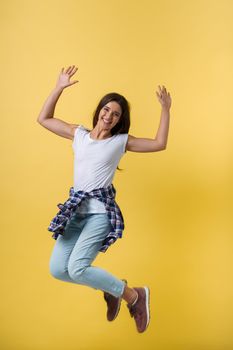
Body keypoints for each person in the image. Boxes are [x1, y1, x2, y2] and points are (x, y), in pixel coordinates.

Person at [37, 65, 172, 333]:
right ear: (99, 110)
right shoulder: (79, 135)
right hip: (75, 212)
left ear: (120, 120)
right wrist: (59, 87)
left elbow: (159, 143)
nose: (109, 116)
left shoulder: (120, 142)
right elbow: (44, 118)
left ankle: (134, 296)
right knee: (57, 269)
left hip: (100, 214)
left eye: (116, 114)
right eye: (107, 110)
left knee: (77, 268)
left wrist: (165, 109)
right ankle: (112, 289)